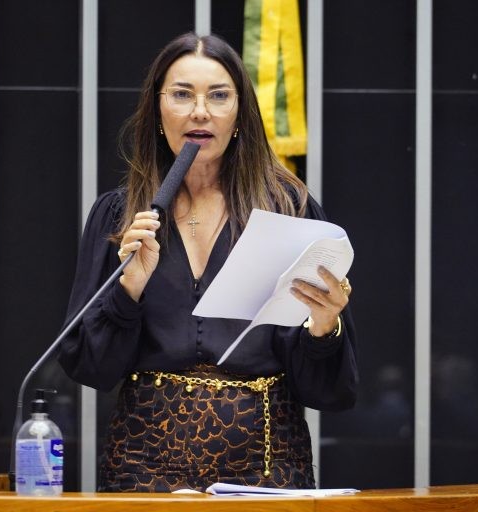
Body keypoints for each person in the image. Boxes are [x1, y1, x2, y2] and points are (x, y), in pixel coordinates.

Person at [58, 32, 358, 492]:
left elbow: (328, 392)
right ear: (157, 110)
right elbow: (89, 368)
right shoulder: (120, 216)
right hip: (142, 468)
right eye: (182, 94)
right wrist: (128, 289)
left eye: (218, 96)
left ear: (239, 113)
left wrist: (323, 325)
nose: (200, 111)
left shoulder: (290, 211)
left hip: (266, 468)